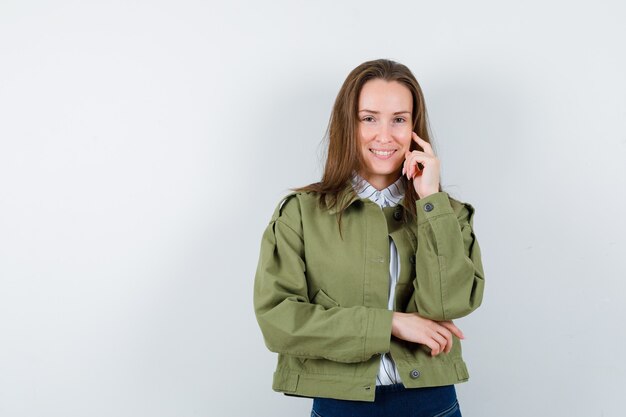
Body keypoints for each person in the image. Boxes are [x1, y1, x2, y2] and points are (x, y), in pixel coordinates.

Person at [253, 58, 485, 417]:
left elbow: (448, 306)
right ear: (349, 124)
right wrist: (390, 323)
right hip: (340, 405)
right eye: (369, 118)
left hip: (432, 403)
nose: (384, 135)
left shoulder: (444, 212)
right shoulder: (300, 213)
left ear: (414, 128)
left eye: (399, 119)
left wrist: (431, 202)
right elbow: (279, 322)